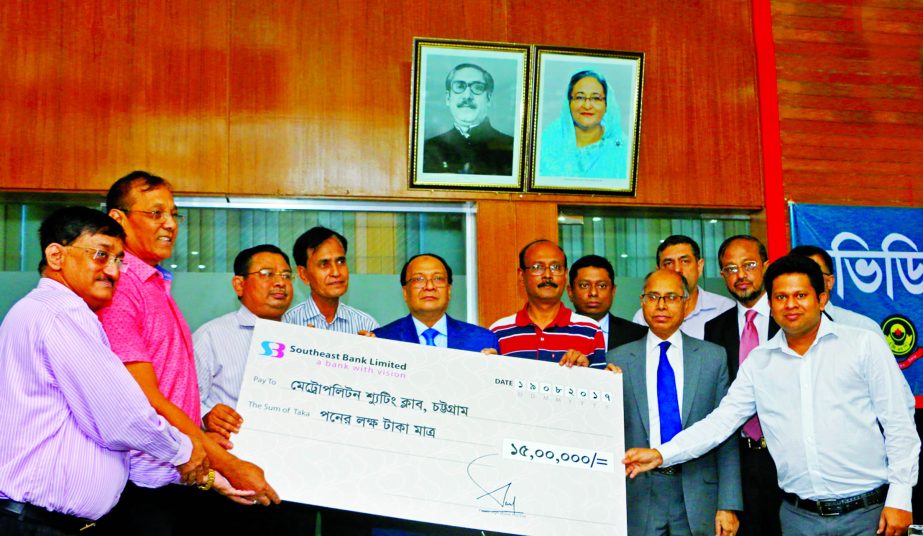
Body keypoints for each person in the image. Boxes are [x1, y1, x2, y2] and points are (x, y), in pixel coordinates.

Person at [624, 255, 919, 536]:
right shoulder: (759, 361)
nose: (790, 304)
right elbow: (720, 423)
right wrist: (662, 453)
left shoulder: (863, 345)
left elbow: (899, 424)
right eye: (780, 297)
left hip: (869, 514)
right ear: (771, 303)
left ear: (822, 298)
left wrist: (901, 497)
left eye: (800, 295)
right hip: (797, 517)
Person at [0, 206, 210, 535]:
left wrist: (192, 468)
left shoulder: (41, 311)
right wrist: (183, 451)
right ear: (56, 255)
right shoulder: (61, 314)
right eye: (100, 255)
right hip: (34, 523)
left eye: (119, 260)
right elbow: (122, 418)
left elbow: (99, 431)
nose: (112, 271)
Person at [97, 171, 279, 534]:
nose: (169, 224)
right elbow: (143, 397)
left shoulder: (156, 285)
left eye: (174, 215)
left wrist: (205, 445)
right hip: (143, 489)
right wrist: (227, 463)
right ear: (118, 219)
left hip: (179, 477)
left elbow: (171, 393)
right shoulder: (121, 290)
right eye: (155, 214)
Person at [607, 269, 741, 535]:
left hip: (697, 490)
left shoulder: (712, 357)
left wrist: (728, 504)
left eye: (671, 297)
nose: (661, 305)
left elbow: (725, 432)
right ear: (642, 302)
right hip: (637, 491)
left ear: (685, 302)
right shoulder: (617, 360)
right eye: (653, 296)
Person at [193, 244, 313, 534]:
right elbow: (184, 404)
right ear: (239, 283)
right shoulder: (211, 336)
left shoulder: (306, 340)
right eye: (267, 274)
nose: (280, 282)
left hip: (292, 486)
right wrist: (207, 415)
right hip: (231, 487)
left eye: (286, 275)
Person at [704, 235, 781, 536]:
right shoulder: (715, 328)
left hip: (787, 456)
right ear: (722, 275)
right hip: (740, 460)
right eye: (730, 268)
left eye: (749, 265)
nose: (740, 275)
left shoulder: (789, 319)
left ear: (766, 266)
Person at [489, 239, 604, 368]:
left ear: (565, 274)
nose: (548, 275)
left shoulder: (590, 330)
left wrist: (584, 371)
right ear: (522, 276)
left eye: (556, 267)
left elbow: (600, 386)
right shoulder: (499, 331)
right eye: (537, 267)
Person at [374, 253, 498, 353]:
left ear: (449, 290)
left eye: (438, 278)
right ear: (405, 292)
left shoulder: (482, 340)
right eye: (419, 279)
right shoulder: (381, 339)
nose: (429, 286)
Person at [632, 234, 735, 338]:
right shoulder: (643, 317)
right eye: (668, 263)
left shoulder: (725, 309)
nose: (677, 269)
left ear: (699, 266)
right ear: (658, 271)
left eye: (685, 261)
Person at [422, 63, 514, 175]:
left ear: (489, 98)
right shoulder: (428, 149)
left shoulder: (511, 149)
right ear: (448, 98)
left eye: (477, 88)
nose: (467, 96)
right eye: (460, 86)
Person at [283, 226, 378, 334]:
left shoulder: (366, 325)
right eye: (324, 264)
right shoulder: (287, 324)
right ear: (303, 274)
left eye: (341, 261)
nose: (336, 272)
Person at [539, 69, 629, 179]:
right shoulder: (545, 143)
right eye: (580, 97)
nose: (587, 106)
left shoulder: (624, 150)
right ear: (569, 103)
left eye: (596, 98)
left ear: (607, 104)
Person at [789, 244, 885, 340]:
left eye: (813, 274)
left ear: (829, 282)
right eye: (795, 275)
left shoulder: (864, 329)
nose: (803, 281)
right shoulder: (777, 326)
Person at [567, 254, 647, 350]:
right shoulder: (553, 334)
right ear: (570, 292)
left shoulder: (638, 335)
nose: (593, 293)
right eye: (584, 285)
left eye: (602, 286)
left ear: (613, 291)